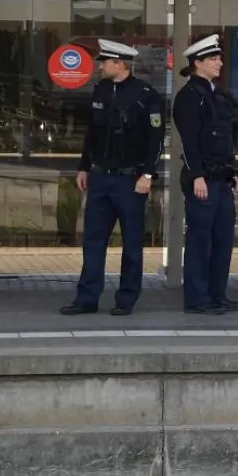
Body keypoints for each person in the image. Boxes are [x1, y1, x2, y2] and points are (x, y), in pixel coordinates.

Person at [60, 39, 165, 317]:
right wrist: (84, 166)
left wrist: (147, 174)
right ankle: (87, 298)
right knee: (93, 241)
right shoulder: (101, 91)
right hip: (100, 178)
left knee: (131, 244)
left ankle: (126, 299)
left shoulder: (146, 95)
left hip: (130, 180)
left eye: (105, 62)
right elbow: (92, 135)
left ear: (120, 64)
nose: (101, 66)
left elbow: (155, 140)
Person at [172, 33, 238, 315]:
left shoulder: (217, 96)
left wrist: (232, 171)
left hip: (221, 178)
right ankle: (197, 298)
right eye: (213, 58)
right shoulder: (189, 96)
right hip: (203, 180)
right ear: (197, 63)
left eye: (219, 57)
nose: (220, 63)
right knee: (200, 241)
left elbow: (226, 139)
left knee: (223, 240)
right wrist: (197, 175)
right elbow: (189, 141)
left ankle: (217, 295)